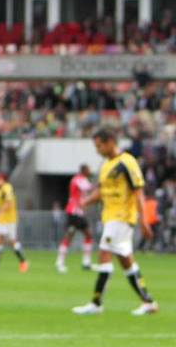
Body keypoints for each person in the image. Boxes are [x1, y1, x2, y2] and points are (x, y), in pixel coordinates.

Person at [72, 128, 158, 316]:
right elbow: (102, 191)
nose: (98, 150)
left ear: (111, 141)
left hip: (122, 217)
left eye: (100, 145)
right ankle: (148, 301)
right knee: (126, 261)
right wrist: (85, 201)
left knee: (104, 252)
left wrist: (144, 220)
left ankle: (96, 303)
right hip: (110, 217)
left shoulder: (127, 162)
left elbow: (138, 192)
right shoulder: (105, 166)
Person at [0, 173, 28, 273]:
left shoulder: (7, 188)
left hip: (9, 220)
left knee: (12, 241)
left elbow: (8, 203)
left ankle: (23, 262)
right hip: (0, 220)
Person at [56, 164, 94, 273]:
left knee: (76, 235)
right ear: (83, 170)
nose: (89, 172)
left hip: (76, 212)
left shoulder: (80, 179)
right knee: (83, 234)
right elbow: (89, 188)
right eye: (88, 170)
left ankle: (83, 262)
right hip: (75, 212)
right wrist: (101, 184)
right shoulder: (78, 179)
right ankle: (62, 262)